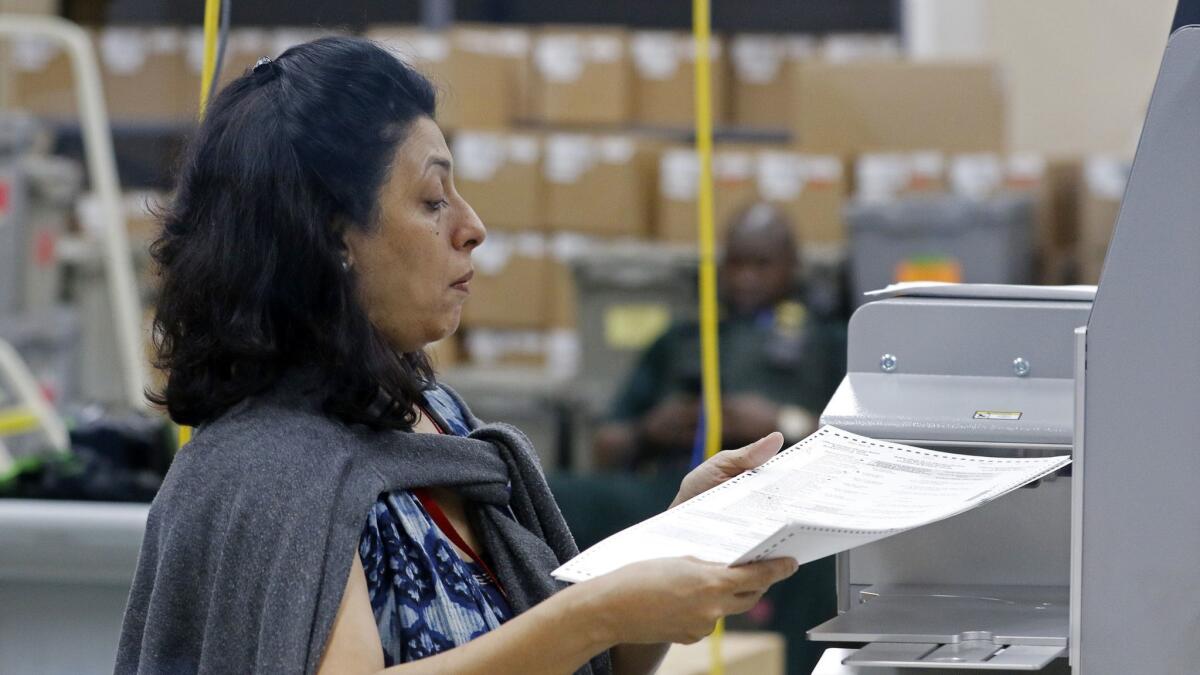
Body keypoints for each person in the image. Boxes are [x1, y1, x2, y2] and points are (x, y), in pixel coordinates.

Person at [115, 37, 798, 675]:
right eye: (433, 199)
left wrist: (684, 536)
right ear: (331, 238)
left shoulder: (431, 416)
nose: (472, 227)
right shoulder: (265, 472)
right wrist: (594, 612)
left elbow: (581, 662)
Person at [593, 203, 847, 474]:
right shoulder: (683, 336)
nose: (745, 278)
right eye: (736, 263)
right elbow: (605, 445)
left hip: (784, 480)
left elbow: (862, 446)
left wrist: (781, 422)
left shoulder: (828, 341)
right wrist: (649, 430)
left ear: (792, 265)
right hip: (678, 484)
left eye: (762, 265)